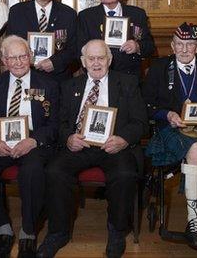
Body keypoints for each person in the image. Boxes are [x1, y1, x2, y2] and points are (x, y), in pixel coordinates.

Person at [36, 39, 147, 258]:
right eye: (91, 58)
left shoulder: (128, 83)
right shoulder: (69, 86)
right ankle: (59, 232)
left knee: (125, 174)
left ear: (110, 59)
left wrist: (123, 139)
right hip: (80, 145)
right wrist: (69, 138)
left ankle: (116, 231)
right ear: (83, 62)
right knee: (54, 171)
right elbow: (60, 123)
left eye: (101, 58)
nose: (96, 63)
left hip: (114, 146)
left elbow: (140, 122)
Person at [143, 23, 197, 251]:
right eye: (179, 44)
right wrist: (168, 114)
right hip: (171, 129)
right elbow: (147, 106)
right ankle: (194, 221)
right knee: (196, 150)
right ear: (172, 46)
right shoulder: (159, 68)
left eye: (189, 44)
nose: (184, 50)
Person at [0, 35, 59, 258]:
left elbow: (55, 124)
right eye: (13, 58)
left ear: (30, 57)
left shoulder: (48, 84)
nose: (19, 62)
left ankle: (28, 232)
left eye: (23, 56)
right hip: (2, 142)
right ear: (4, 60)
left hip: (33, 142)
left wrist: (33, 141)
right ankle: (2, 229)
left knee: (32, 171)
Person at [6, 0, 77, 82]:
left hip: (58, 80)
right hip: (26, 78)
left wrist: (55, 62)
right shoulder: (17, 12)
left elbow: (74, 49)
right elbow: (9, 45)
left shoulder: (68, 14)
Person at [77, 0, 154, 78]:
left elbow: (150, 47)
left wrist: (137, 46)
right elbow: (78, 49)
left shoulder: (137, 14)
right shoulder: (85, 16)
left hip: (129, 78)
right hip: (98, 76)